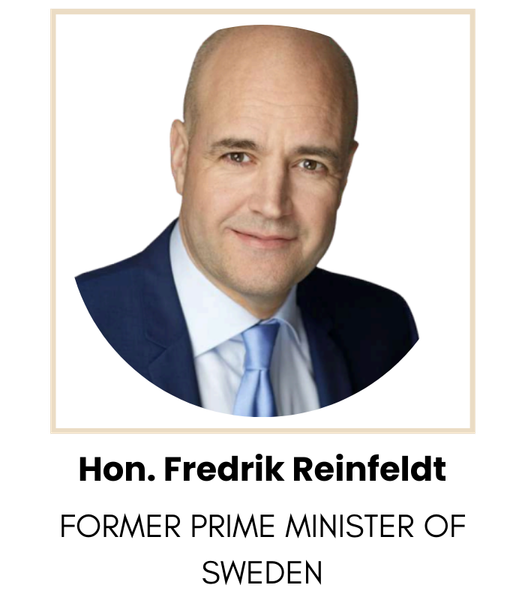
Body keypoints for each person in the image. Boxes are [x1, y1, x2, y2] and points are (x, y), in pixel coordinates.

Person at [76, 25, 419, 417]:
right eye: (238, 156)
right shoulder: (72, 329)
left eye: (310, 164)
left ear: (344, 173)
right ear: (181, 158)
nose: (271, 205)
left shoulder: (386, 330)